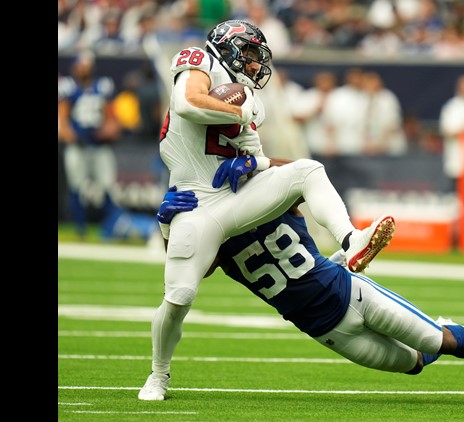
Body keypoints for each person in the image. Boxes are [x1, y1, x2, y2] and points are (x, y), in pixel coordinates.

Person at [139, 20, 397, 401]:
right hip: (195, 201)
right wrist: (238, 113)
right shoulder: (198, 62)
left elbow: (257, 157)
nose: (257, 66)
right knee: (179, 296)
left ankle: (351, 240)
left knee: (308, 170)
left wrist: (251, 166)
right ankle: (158, 375)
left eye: (259, 58)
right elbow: (187, 103)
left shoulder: (249, 99)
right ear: (226, 47)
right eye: (250, 55)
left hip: (235, 195)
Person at [154, 186, 464, 396]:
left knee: (431, 339)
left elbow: (299, 181)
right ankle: (458, 328)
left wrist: (255, 168)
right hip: (323, 328)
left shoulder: (265, 193)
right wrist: (170, 228)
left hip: (348, 290)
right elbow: (193, 271)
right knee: (415, 363)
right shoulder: (213, 231)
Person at [58, 50, 123, 240]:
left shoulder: (102, 86)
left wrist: (109, 131)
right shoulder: (68, 87)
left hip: (99, 145)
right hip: (78, 146)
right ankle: (81, 229)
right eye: (81, 65)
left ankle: (110, 228)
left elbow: (112, 118)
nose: (83, 69)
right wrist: (71, 136)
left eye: (86, 65)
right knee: (77, 188)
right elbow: (62, 118)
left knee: (107, 187)